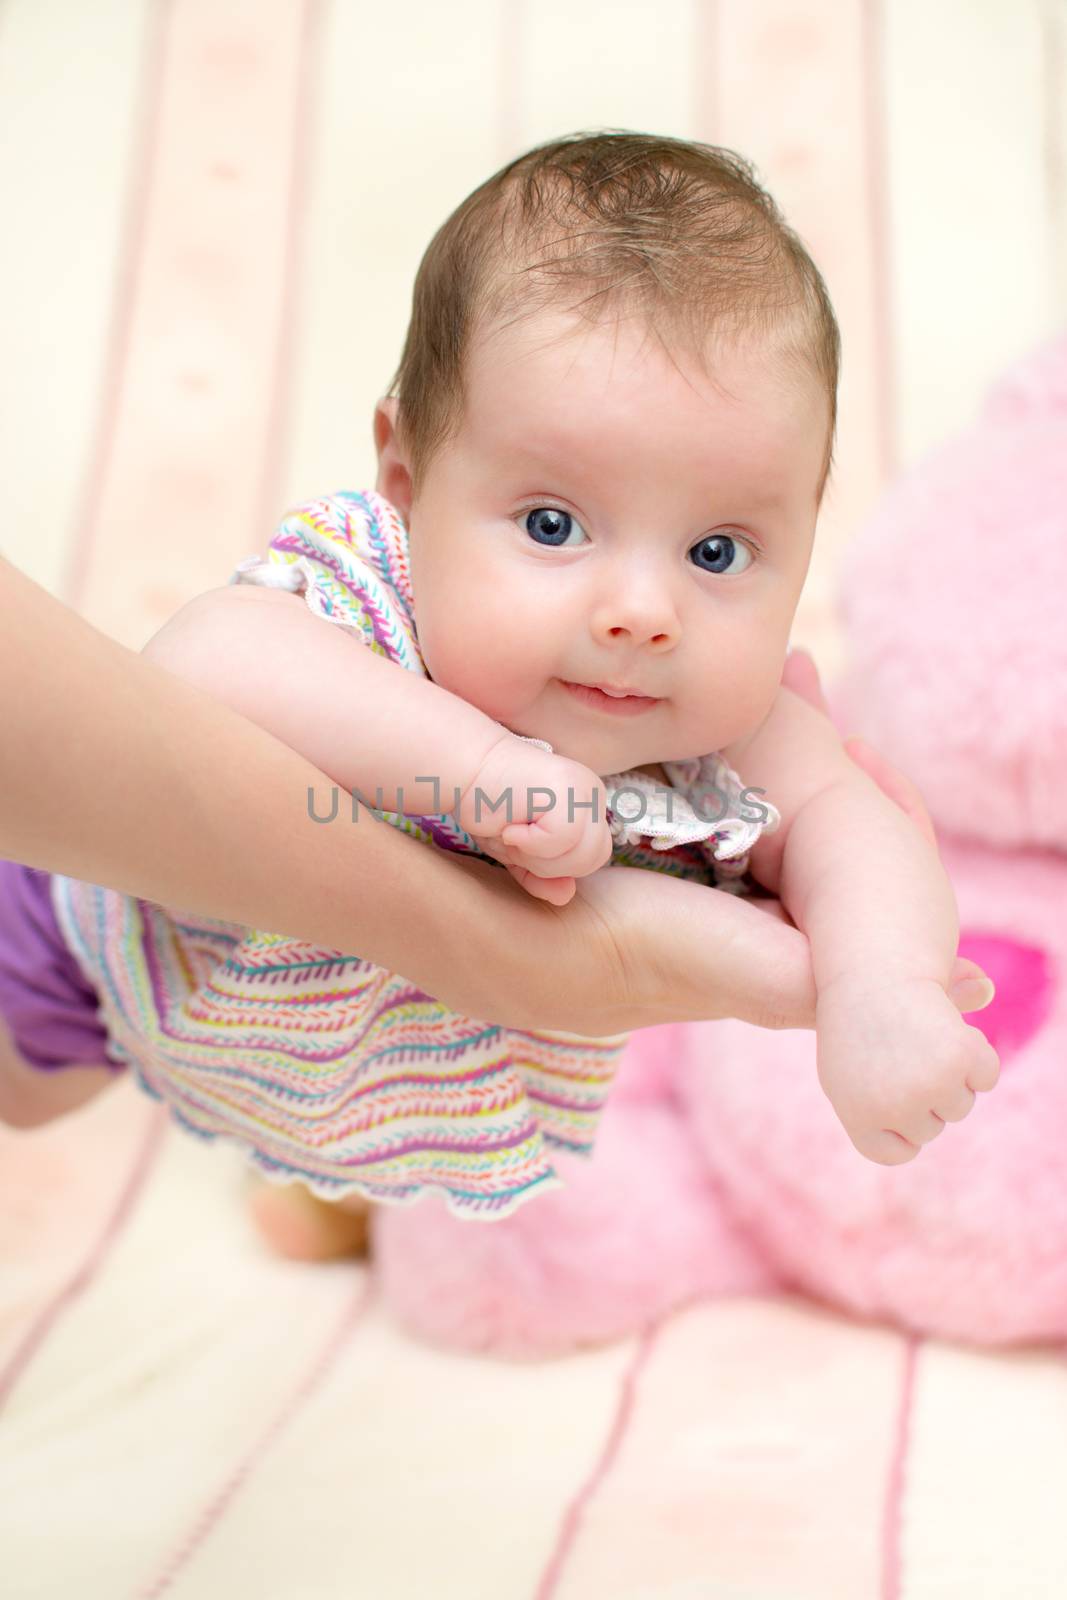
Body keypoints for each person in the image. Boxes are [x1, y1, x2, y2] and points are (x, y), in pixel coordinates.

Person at [1, 132, 998, 1258]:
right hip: (97, 913)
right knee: (27, 1093)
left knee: (363, 1135)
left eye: (716, 552)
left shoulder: (734, 725)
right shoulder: (373, 592)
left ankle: (335, 1192)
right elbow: (197, 666)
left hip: (374, 1054)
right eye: (552, 526)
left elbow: (849, 822)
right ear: (406, 480)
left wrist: (877, 986)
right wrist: (483, 775)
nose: (641, 610)